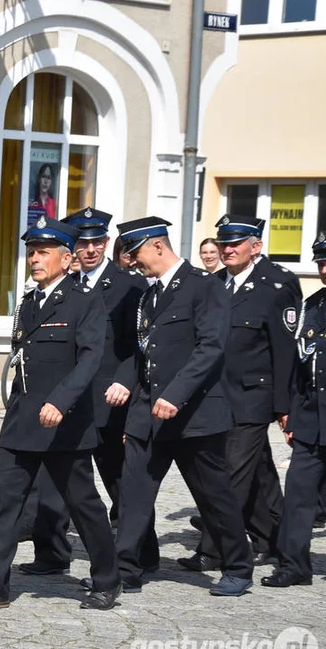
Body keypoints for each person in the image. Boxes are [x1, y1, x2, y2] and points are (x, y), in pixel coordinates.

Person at [0, 217, 121, 612]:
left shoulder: (84, 301)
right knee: (5, 505)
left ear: (67, 259)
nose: (34, 258)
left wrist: (60, 402)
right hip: (23, 419)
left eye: (43, 252)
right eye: (31, 252)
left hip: (65, 424)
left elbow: (89, 360)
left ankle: (108, 580)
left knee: (83, 504)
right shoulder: (29, 301)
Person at [106, 216, 253, 596]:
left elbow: (210, 348)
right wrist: (125, 379)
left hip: (194, 415)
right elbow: (145, 351)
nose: (134, 261)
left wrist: (175, 393)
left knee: (213, 495)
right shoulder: (148, 295)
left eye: (136, 252)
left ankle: (237, 565)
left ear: (158, 245)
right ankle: (125, 569)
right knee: (134, 495)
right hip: (147, 414)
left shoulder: (204, 288)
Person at [17, 208, 158, 578]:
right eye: (83, 242)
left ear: (107, 243)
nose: (91, 249)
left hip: (110, 398)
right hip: (69, 400)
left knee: (120, 481)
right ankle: (51, 553)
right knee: (52, 480)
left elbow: (139, 343)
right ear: (72, 247)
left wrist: (126, 381)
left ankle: (138, 555)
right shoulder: (63, 285)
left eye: (98, 241)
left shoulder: (130, 286)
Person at [179, 215, 294, 571]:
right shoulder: (212, 284)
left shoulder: (277, 285)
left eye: (236, 244)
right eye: (224, 243)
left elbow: (284, 350)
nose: (228, 249)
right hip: (215, 396)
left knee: (228, 475)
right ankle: (273, 538)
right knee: (259, 475)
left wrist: (283, 406)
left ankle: (214, 551)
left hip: (251, 398)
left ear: (255, 247)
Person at [264, 232, 326, 588]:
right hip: (314, 420)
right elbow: (300, 362)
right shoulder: (316, 303)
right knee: (299, 496)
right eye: (321, 262)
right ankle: (293, 565)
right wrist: (292, 410)